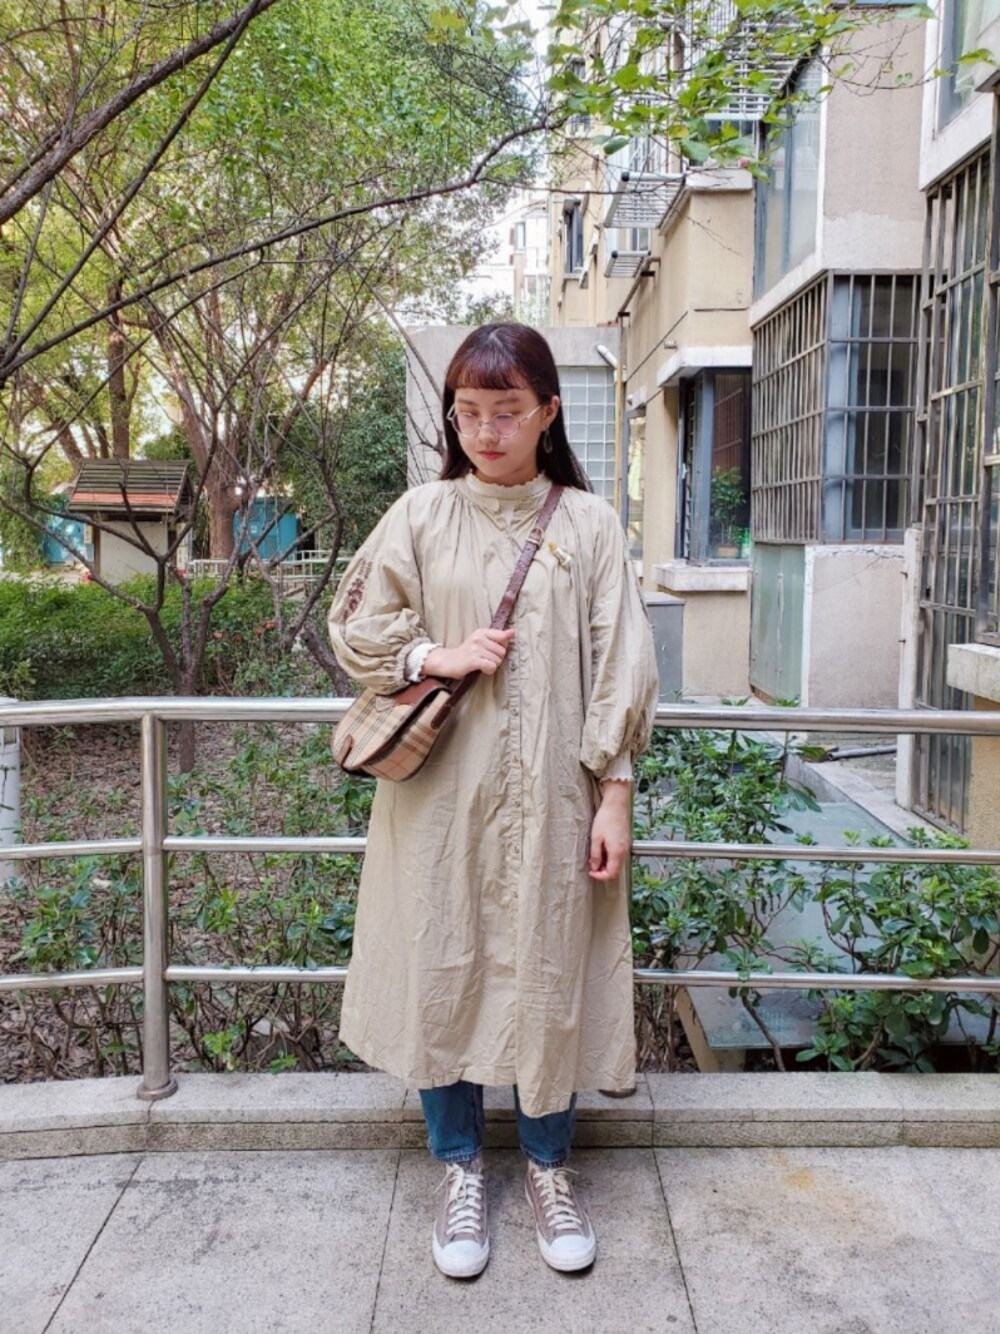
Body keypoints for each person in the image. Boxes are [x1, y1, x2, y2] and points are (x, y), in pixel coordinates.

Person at [327, 321, 659, 1279]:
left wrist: (614, 797)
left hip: (558, 797)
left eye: (506, 411)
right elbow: (357, 622)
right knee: (442, 963)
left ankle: (550, 1168)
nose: (485, 430)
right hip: (438, 799)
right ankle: (461, 1168)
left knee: (551, 967)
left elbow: (621, 665)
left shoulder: (588, 526)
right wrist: (438, 654)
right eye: (467, 412)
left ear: (548, 412)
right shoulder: (421, 514)